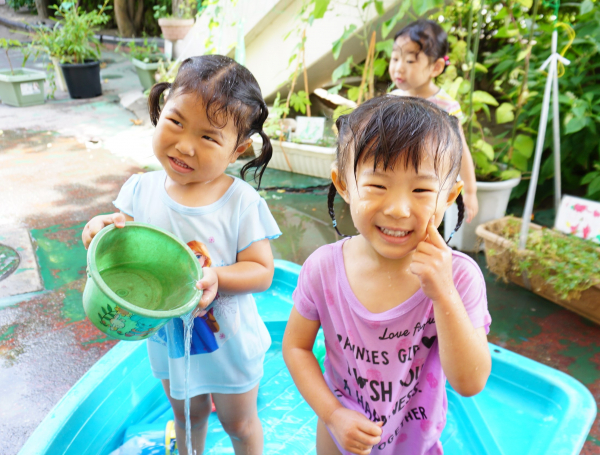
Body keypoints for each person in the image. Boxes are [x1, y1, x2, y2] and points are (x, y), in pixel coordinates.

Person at [82, 55, 281, 455]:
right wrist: (100, 230)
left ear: (237, 150)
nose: (185, 145)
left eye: (209, 138)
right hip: (169, 339)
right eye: (175, 122)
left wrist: (219, 278)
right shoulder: (141, 189)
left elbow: (262, 271)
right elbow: (128, 244)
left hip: (228, 345)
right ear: (160, 111)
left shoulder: (240, 201)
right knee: (187, 416)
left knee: (239, 423)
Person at [282, 96, 492, 455]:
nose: (397, 209)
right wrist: (333, 415)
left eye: (422, 190)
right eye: (377, 186)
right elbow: (296, 347)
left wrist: (444, 295)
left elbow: (470, 382)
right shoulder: (322, 269)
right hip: (338, 435)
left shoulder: (459, 279)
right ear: (344, 185)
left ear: (450, 195)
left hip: (415, 441)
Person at [389, 19, 479, 224]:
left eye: (410, 61)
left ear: (436, 67)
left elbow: (460, 149)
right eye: (395, 58)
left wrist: (470, 191)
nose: (398, 68)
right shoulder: (392, 99)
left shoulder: (445, 106)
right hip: (399, 178)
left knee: (427, 226)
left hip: (431, 184)